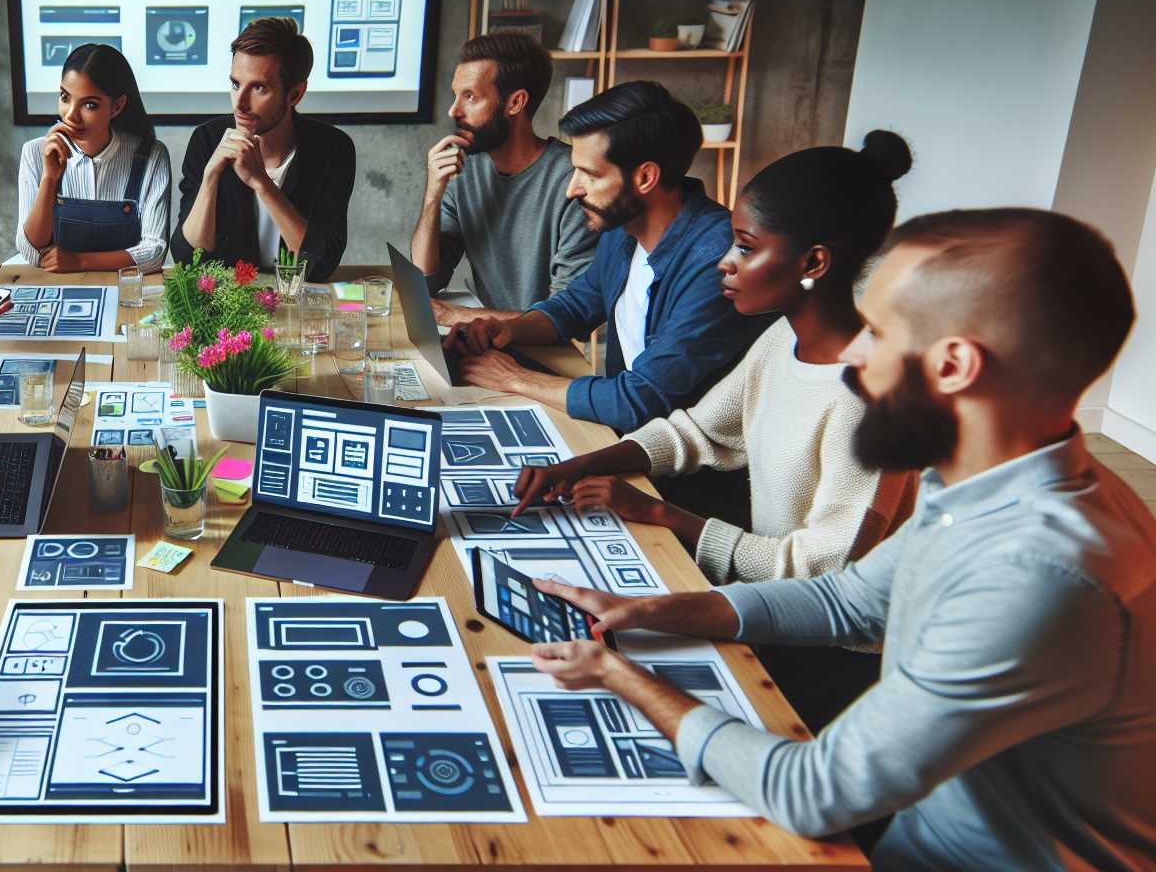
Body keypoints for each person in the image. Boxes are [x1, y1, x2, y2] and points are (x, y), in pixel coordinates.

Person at [524, 208, 1156, 870]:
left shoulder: (1038, 574)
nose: (851, 354)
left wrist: (619, 674)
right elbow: (847, 600)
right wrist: (652, 610)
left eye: (877, 332)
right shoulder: (988, 480)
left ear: (954, 365)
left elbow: (812, 792)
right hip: (913, 832)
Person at [514, 133, 918, 587]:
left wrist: (658, 512)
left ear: (814, 263)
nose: (724, 263)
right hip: (765, 601)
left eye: (745, 247)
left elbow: (823, 570)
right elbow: (699, 432)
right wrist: (580, 465)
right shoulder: (781, 339)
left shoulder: (876, 395)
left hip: (828, 641)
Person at [446, 81, 768, 435]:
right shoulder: (623, 228)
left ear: (645, 177)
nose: (572, 190)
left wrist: (515, 378)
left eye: (590, 174)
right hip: (630, 438)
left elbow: (640, 399)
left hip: (679, 469)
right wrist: (508, 329)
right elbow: (578, 305)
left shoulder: (714, 263)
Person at [411, 33, 598, 321]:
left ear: (515, 103)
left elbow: (566, 317)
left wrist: (453, 315)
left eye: (470, 97)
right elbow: (425, 282)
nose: (453, 110)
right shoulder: (464, 170)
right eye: (456, 95)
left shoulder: (573, 182)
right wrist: (433, 194)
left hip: (541, 349)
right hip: (482, 333)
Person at [171, 17, 356, 281]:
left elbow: (321, 265)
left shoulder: (333, 149)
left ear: (295, 95)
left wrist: (262, 183)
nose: (240, 103)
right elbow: (187, 259)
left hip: (297, 303)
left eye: (259, 88)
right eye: (236, 84)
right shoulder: (207, 139)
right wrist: (210, 176)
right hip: (230, 306)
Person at [16, 43, 171, 273]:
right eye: (65, 97)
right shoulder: (34, 153)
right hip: (59, 289)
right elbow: (31, 251)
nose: (71, 115)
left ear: (117, 107)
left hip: (126, 291)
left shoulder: (151, 156)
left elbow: (154, 252)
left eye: (89, 104)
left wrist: (79, 262)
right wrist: (49, 178)